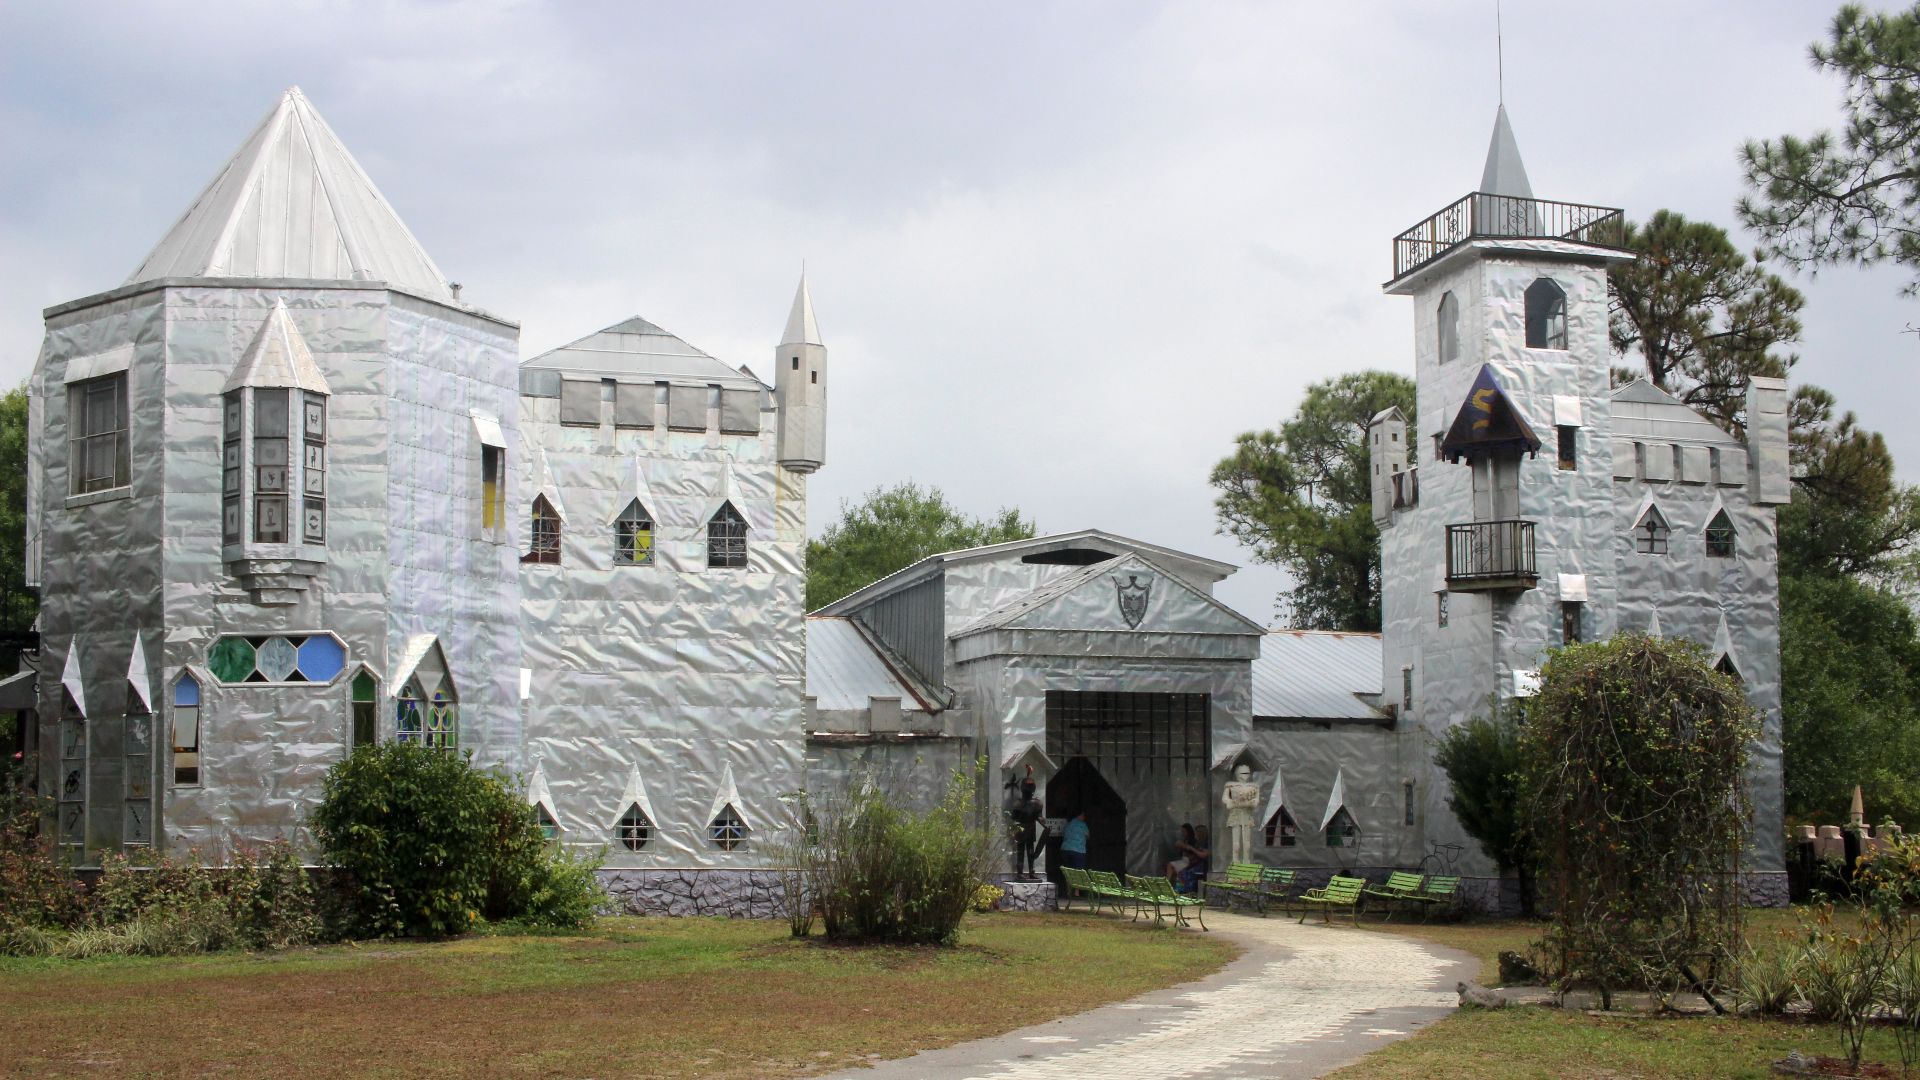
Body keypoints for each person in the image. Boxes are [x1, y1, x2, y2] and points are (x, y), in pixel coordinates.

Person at [1177, 825, 1212, 894]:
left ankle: (1189, 892)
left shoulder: (1208, 843)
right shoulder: (1199, 843)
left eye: (1196, 834)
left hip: (1205, 865)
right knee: (1182, 872)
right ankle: (1183, 891)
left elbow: (1203, 855)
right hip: (1197, 863)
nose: (1195, 836)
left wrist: (1191, 848)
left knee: (1187, 873)